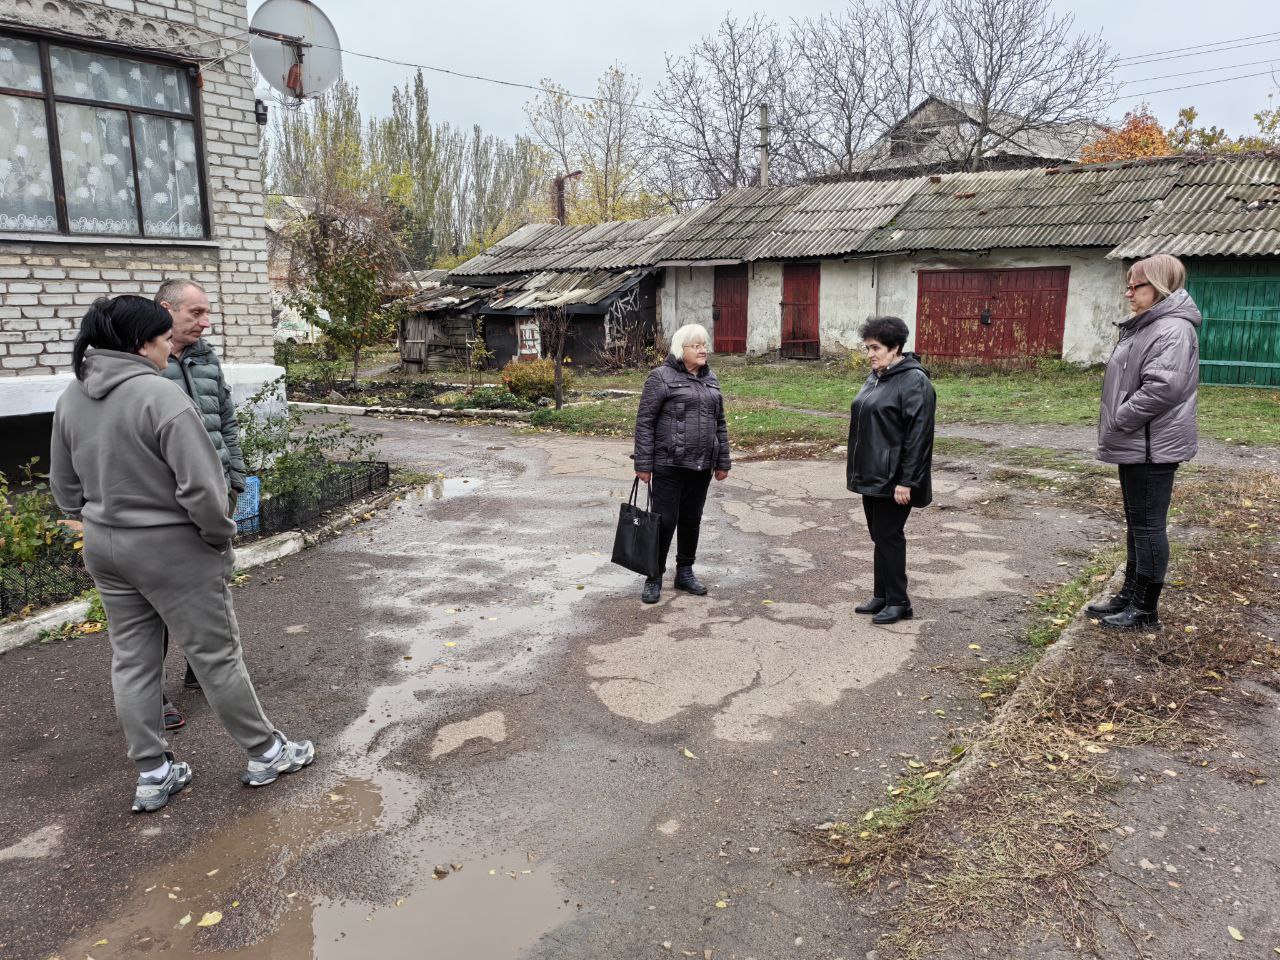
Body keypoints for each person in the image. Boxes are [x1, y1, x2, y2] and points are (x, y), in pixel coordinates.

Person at [50, 296, 314, 814]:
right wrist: (217, 537)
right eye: (164, 338)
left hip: (106, 546)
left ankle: (154, 773)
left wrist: (98, 518)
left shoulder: (72, 397)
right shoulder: (161, 397)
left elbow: (64, 488)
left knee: (133, 659)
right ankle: (266, 752)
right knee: (215, 654)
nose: (172, 346)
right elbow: (203, 489)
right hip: (172, 549)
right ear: (140, 343)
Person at [154, 278, 248, 728]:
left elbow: (226, 418)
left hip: (216, 493)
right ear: (164, 310)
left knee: (213, 584)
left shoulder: (205, 359)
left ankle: (204, 672)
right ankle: (151, 694)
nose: (205, 322)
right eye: (195, 313)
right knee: (154, 599)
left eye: (206, 312)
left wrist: (236, 476)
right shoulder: (143, 366)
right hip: (166, 502)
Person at [1088, 254, 1200, 630]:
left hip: (1152, 445)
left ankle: (1145, 610)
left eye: (1137, 285)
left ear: (1161, 286)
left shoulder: (1172, 329)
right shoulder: (1146, 325)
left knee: (1149, 525)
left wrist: (1121, 416)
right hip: (1138, 442)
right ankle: (1129, 596)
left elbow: (1164, 387)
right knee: (1138, 524)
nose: (1128, 292)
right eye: (1128, 284)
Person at [846, 316, 936, 625]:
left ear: (895, 348)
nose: (870, 354)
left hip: (896, 479)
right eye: (867, 347)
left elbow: (919, 436)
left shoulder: (914, 381)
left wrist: (907, 481)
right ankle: (882, 595)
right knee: (879, 536)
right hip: (872, 475)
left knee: (889, 535)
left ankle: (900, 602)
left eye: (876, 348)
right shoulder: (878, 376)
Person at [633, 323, 731, 604]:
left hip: (701, 466)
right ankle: (653, 576)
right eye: (696, 345)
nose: (703, 350)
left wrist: (722, 460)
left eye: (704, 344)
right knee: (664, 522)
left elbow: (719, 423)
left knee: (691, 519)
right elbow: (645, 423)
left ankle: (685, 572)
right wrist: (643, 463)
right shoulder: (660, 378)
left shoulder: (711, 379)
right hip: (669, 464)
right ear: (681, 350)